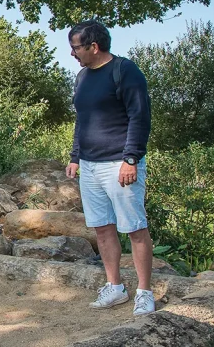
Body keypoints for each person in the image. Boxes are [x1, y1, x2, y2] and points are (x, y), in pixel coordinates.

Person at [65, 20, 155, 316]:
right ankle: (115, 287)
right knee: (102, 229)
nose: (73, 53)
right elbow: (83, 120)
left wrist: (131, 158)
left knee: (134, 227)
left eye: (76, 47)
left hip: (120, 163)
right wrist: (75, 156)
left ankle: (144, 292)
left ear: (94, 46)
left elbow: (139, 117)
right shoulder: (81, 77)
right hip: (90, 166)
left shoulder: (125, 71)